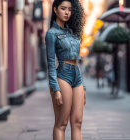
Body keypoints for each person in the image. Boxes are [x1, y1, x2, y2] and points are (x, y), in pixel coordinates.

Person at [45, 0, 86, 140]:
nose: (67, 12)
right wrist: (55, 89)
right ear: (55, 10)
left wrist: (83, 86)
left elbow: (76, 60)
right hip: (63, 75)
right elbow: (51, 63)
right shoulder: (51, 33)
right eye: (63, 8)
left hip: (77, 75)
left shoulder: (72, 33)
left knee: (78, 122)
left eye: (69, 9)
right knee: (61, 123)